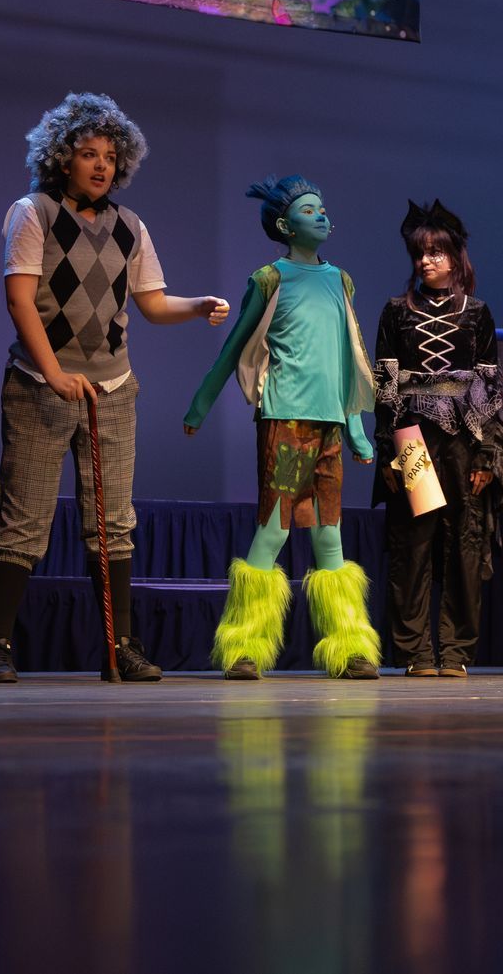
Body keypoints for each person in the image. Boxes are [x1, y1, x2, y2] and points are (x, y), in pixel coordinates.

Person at [0, 92, 229, 684]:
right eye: (88, 154)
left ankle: (122, 649)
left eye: (110, 157)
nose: (100, 166)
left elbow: (150, 303)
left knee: (113, 520)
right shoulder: (32, 212)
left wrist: (196, 307)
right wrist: (55, 373)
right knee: (25, 518)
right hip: (40, 384)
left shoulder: (129, 227)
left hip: (112, 389)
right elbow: (20, 300)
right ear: (62, 158)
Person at [184, 175, 381, 680]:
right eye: (307, 208)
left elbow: (349, 357)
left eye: (322, 207)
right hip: (288, 421)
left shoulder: (341, 279)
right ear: (283, 223)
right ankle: (243, 646)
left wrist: (356, 428)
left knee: (329, 536)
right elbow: (236, 345)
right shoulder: (271, 278)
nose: (319, 214)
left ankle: (349, 646)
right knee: (273, 530)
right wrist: (201, 404)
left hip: (330, 426)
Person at [372, 200, 503, 677]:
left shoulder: (478, 313)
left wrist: (489, 453)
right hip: (412, 439)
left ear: (456, 257)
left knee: (463, 547)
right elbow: (386, 383)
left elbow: (490, 385)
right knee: (414, 549)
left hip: (463, 441)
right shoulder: (395, 312)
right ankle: (414, 654)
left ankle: (455, 653)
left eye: (437, 252)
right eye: (420, 253)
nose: (427, 261)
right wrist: (387, 451)